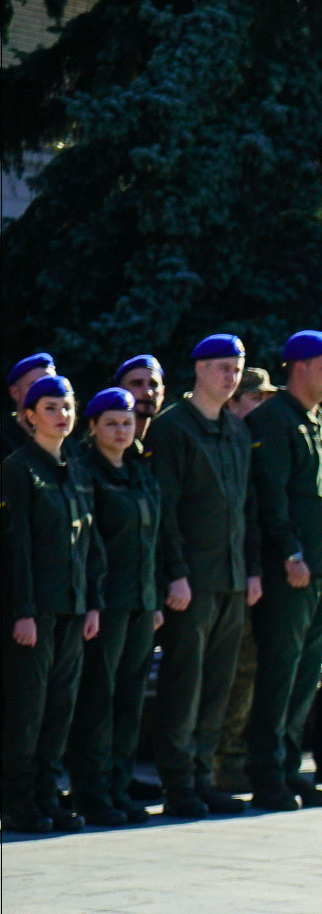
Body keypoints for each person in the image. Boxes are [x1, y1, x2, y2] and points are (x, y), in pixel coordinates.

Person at [149, 333, 259, 818]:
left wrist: (252, 570)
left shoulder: (236, 431)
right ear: (198, 370)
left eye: (236, 369)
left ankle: (204, 776)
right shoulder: (172, 428)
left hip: (231, 578)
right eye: (221, 368)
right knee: (183, 681)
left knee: (218, 683)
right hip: (191, 581)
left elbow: (246, 507)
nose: (230, 377)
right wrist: (175, 573)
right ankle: (177, 784)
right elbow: (164, 509)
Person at [245, 330, 322, 812]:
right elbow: (272, 493)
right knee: (280, 673)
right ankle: (267, 774)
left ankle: (289, 770)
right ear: (298, 367)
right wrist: (289, 552)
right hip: (292, 573)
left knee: (307, 674)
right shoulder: (272, 419)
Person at [2, 375, 100, 834]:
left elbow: (88, 544)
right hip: (36, 612)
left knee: (60, 707)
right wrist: (22, 610)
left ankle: (47, 796)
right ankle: (19, 802)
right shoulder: (18, 469)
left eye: (67, 407)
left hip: (73, 607)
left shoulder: (75, 467)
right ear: (28, 417)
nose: (62, 416)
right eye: (51, 408)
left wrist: (93, 603)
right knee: (28, 709)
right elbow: (15, 544)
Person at [64, 388, 161, 826]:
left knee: (128, 698)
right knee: (98, 700)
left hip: (140, 601)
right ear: (92, 427)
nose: (122, 431)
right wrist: (93, 602)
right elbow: (88, 545)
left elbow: (153, 538)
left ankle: (119, 787)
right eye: (111, 423)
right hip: (106, 605)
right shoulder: (86, 473)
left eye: (127, 423)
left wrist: (154, 598)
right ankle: (92, 791)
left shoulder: (139, 470)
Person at [211, 365, 278, 792]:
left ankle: (238, 756)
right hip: (215, 579)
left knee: (250, 670)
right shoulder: (222, 442)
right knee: (224, 673)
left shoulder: (254, 445)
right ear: (233, 403)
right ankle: (220, 760)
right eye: (255, 400)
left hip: (251, 577)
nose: (262, 409)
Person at [4, 353, 56, 459]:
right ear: (15, 393)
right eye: (35, 386)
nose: (45, 393)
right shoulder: (5, 441)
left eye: (51, 385)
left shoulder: (65, 442)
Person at [113, 354, 164, 440]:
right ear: (120, 391)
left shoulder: (168, 442)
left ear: (162, 393)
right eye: (137, 384)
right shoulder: (105, 446)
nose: (148, 393)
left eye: (153, 384)